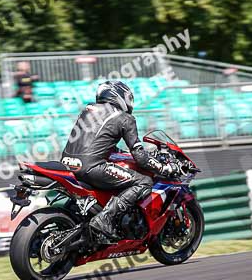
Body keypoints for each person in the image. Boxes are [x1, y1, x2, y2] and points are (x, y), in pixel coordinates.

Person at [61, 81, 178, 242]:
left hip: (67, 164)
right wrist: (164, 168)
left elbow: (97, 142)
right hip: (92, 167)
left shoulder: (88, 110)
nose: (130, 102)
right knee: (144, 181)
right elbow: (140, 157)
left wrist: (124, 154)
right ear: (118, 96)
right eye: (128, 98)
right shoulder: (125, 118)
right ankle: (105, 218)